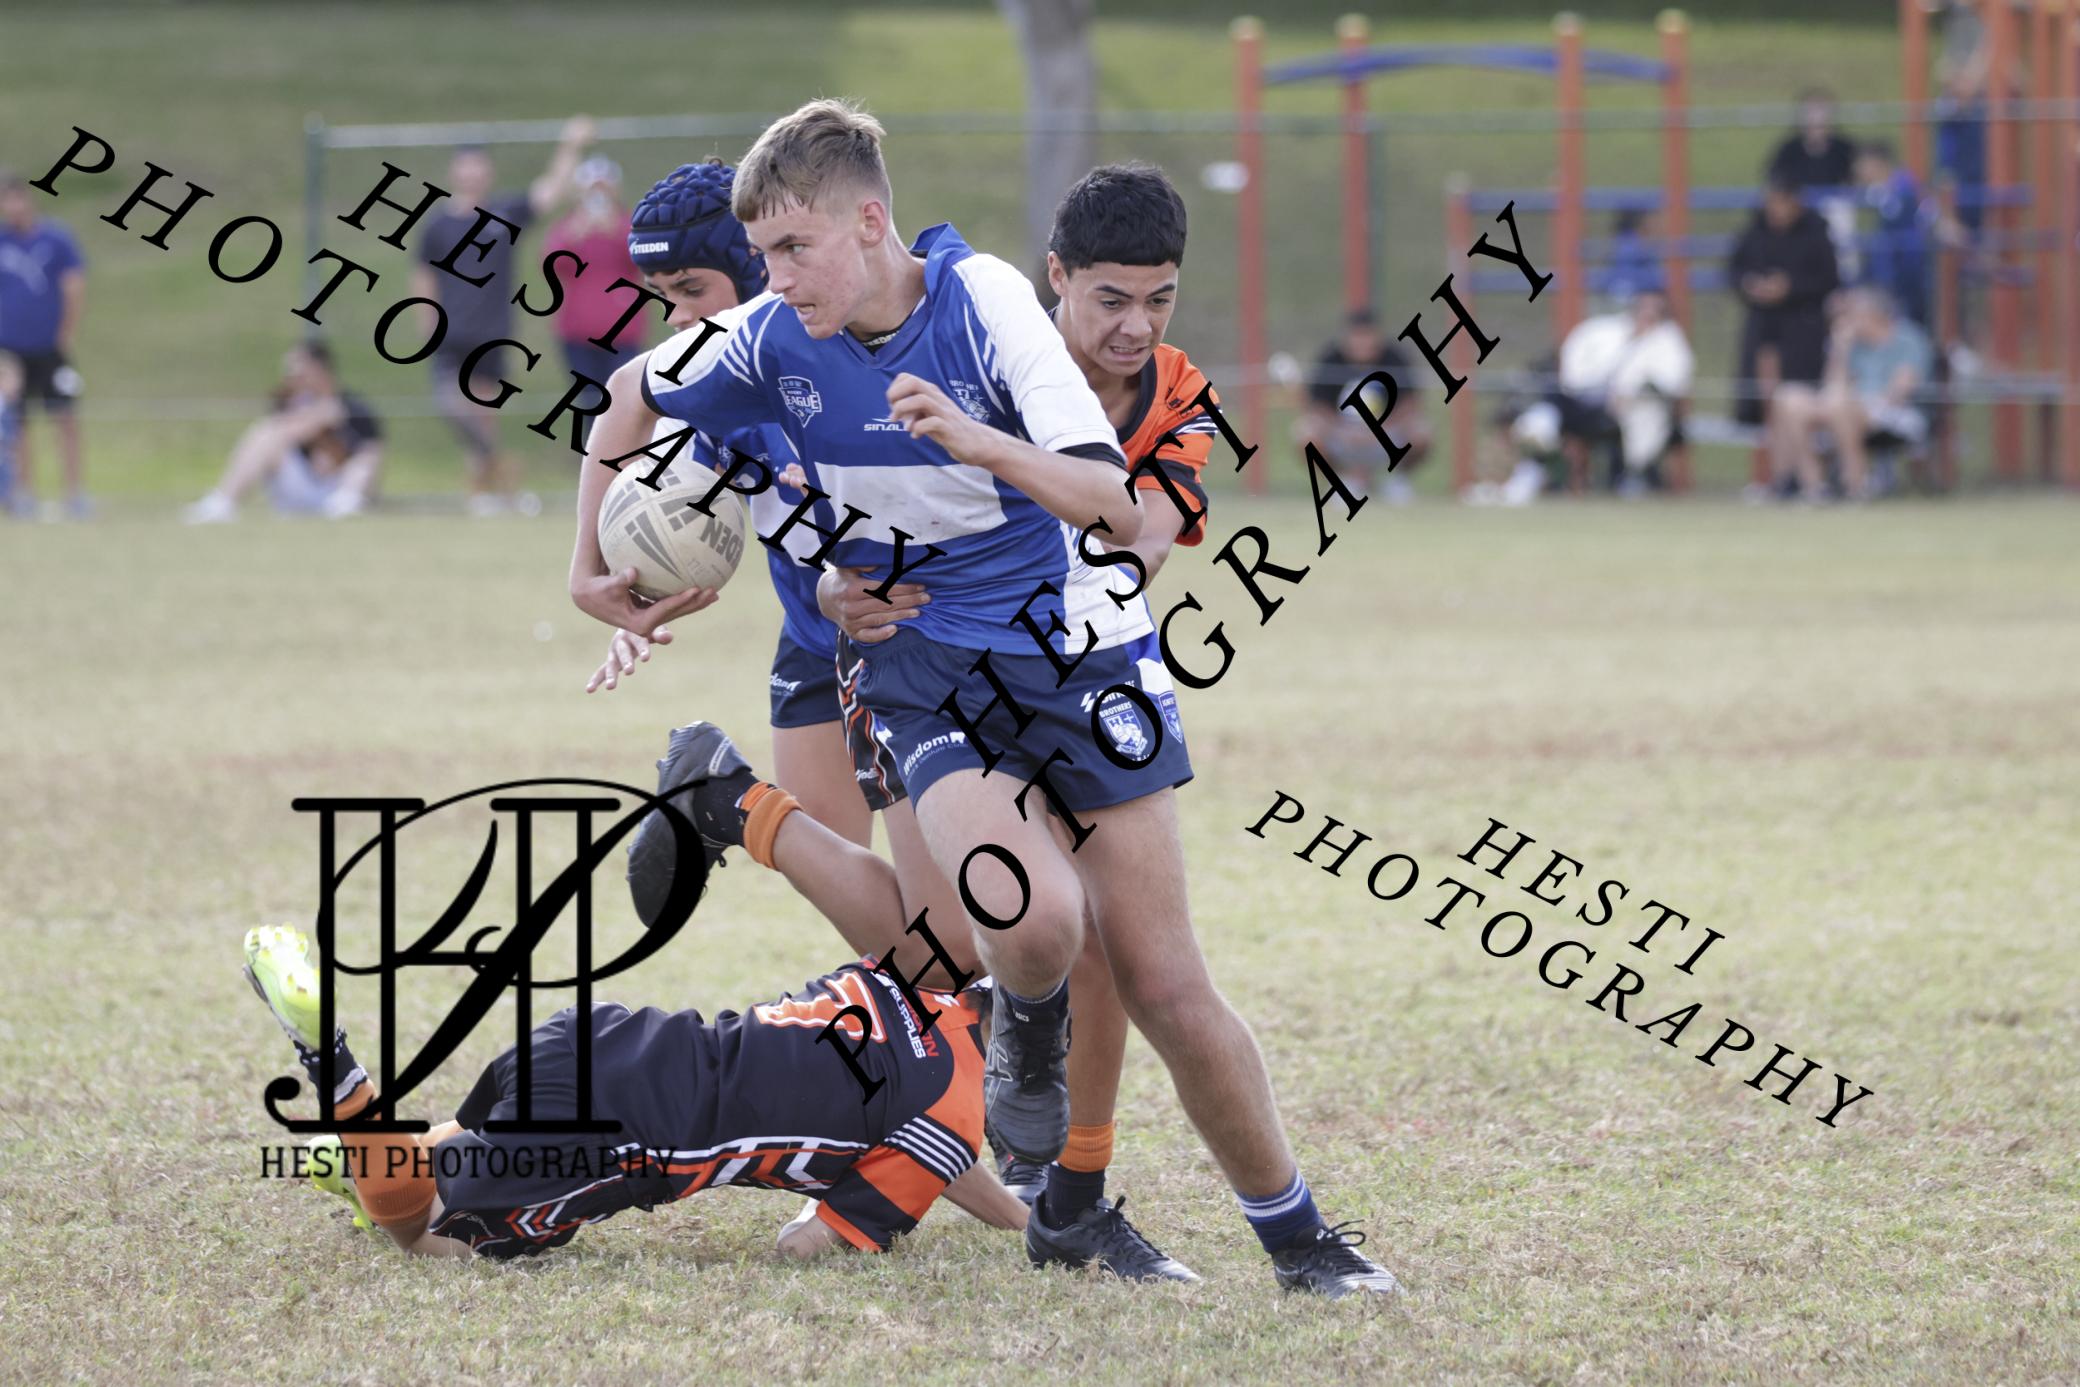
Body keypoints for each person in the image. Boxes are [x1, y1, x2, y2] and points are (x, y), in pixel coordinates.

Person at [570, 99, 1399, 1298]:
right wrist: (588, 574)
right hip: (923, 670)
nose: (772, 278)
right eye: (760, 255)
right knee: (1033, 922)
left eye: (792, 249)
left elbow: (1113, 506)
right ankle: (1025, 1069)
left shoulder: (985, 301)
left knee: (1164, 981)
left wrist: (978, 441)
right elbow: (628, 395)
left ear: (870, 221)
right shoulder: (766, 336)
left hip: (1080, 659)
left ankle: (1297, 1237)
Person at [240, 907, 1028, 1260]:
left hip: (601, 1036)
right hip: (619, 1136)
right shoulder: (952, 1117)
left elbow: (928, 1138)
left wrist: (1027, 1222)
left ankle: (355, 1164)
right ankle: (331, 1060)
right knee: (427, 1237)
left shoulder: (904, 977)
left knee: (474, 1147)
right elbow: (803, 1246)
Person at [411, 118, 593, 515]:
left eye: (479, 168)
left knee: (484, 415)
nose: (472, 175)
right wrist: (426, 323)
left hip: (491, 333)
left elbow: (550, 192)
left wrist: (570, 146)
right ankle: (503, 476)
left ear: (488, 173)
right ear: (455, 173)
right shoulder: (438, 224)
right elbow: (424, 278)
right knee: (451, 406)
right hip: (450, 335)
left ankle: (484, 493)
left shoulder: (503, 213)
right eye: (466, 168)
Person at [1508, 288, 1693, 497]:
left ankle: (1632, 478)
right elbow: (1573, 366)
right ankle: (1534, 449)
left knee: (1640, 422)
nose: (1647, 314)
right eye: (1644, 308)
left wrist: (1630, 393)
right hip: (1584, 402)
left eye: (1655, 310)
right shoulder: (1603, 330)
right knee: (1550, 408)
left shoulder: (1669, 340)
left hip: (1629, 411)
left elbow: (1673, 381)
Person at [182, 341, 383, 522]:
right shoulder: (288, 404)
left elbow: (368, 454)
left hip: (336, 489)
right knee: (265, 433)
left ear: (320, 369)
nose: (292, 378)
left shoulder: (353, 407)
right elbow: (279, 435)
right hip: (298, 486)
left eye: (299, 372)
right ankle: (223, 502)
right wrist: (311, 420)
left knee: (369, 453)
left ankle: (346, 504)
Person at [1767, 287, 1932, 501]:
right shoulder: (1851, 344)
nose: (1846, 320)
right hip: (1843, 405)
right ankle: (1813, 486)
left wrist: (1859, 404)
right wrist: (1840, 349)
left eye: (1852, 314)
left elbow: (1902, 388)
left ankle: (1855, 485)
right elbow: (1832, 386)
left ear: (1872, 314)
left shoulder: (1907, 338)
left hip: (1893, 411)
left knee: (1838, 405)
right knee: (1788, 397)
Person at [0, 170, 88, 519]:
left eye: (15, 198)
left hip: (51, 347)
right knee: (17, 421)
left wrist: (65, 333)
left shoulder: (56, 239)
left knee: (64, 416)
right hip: (10, 348)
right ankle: (25, 493)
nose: (12, 207)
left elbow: (74, 285)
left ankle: (75, 494)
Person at [1728, 176, 1839, 427]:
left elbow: (1829, 279)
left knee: (1797, 397)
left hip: (1802, 325)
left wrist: (1790, 287)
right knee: (1762, 395)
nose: (1775, 210)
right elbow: (1734, 270)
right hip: (1762, 322)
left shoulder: (1816, 232)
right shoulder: (1755, 230)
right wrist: (1750, 284)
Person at [544, 155, 648, 415]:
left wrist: (616, 231)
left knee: (622, 401)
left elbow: (641, 260)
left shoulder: (629, 226)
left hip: (622, 333)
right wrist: (576, 233)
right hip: (577, 334)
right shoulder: (568, 228)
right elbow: (554, 264)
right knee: (590, 403)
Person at [1300, 306, 1430, 502]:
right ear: (1346, 337)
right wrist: (1341, 430)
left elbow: (1411, 404)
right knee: (1305, 433)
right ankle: (1344, 481)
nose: (1362, 342)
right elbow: (1317, 406)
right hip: (1342, 435)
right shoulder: (1330, 359)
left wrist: (1379, 431)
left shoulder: (1394, 358)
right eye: (1357, 336)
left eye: (1367, 335)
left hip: (1387, 436)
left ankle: (1396, 481)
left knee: (1421, 432)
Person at [1766, 88, 1860, 278]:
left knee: (1842, 227)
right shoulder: (1789, 149)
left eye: (1821, 110)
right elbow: (1775, 179)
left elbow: (1857, 179)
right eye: (1810, 111)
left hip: (1835, 207)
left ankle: (1845, 279)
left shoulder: (1843, 148)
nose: (1816, 117)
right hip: (1799, 208)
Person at [1854, 140, 1934, 329]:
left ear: (1876, 163)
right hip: (1894, 274)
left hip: (1907, 274)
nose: (1858, 170)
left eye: (1862, 164)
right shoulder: (1882, 191)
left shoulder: (1903, 188)